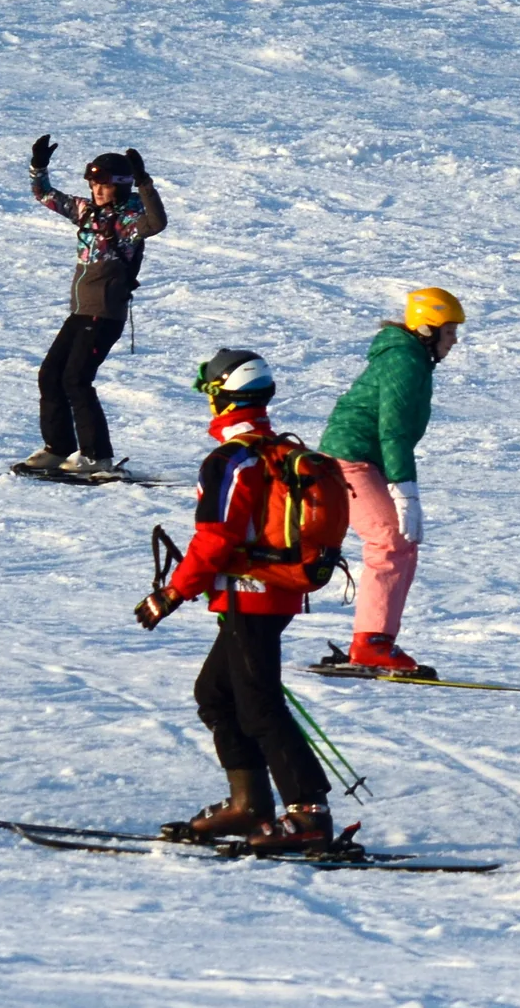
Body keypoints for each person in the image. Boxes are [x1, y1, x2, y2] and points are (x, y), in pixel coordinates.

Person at [136, 350, 337, 852]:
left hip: (252, 595)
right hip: (270, 591)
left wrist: (170, 594)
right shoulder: (271, 450)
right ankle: (248, 805)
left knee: (259, 704)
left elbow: (214, 540)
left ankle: (308, 812)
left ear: (220, 398)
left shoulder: (232, 459)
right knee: (217, 694)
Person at [317, 287, 464, 673]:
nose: (455, 340)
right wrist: (405, 491)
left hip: (364, 461)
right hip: (348, 459)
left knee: (402, 545)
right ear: (428, 330)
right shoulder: (405, 361)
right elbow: (393, 430)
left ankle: (377, 640)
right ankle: (371, 643)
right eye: (449, 331)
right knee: (390, 539)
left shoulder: (412, 359)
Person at [19, 136, 166, 476]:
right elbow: (45, 195)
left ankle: (97, 456)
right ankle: (58, 448)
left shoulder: (130, 219)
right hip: (81, 310)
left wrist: (144, 183)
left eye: (103, 185)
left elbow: (157, 224)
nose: (97, 191)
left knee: (76, 379)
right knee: (50, 375)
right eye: (93, 184)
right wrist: (38, 166)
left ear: (121, 185)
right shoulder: (87, 211)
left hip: (105, 312)